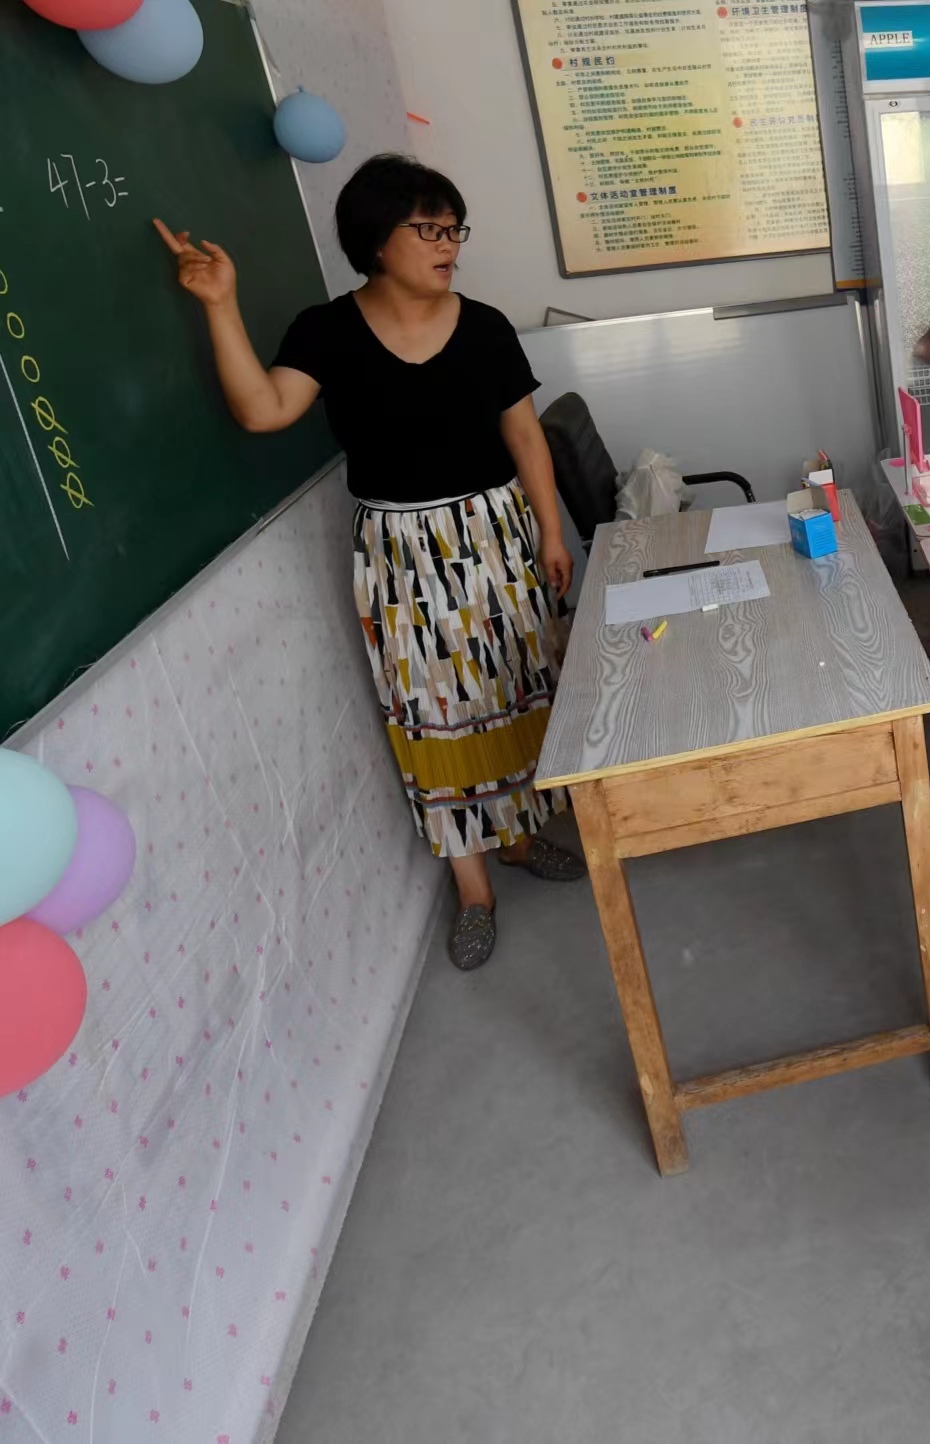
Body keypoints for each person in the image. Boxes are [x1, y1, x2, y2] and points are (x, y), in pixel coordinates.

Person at [154, 154, 583, 972]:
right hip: (399, 552)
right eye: (427, 227)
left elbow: (525, 437)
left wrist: (552, 532)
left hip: (495, 535)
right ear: (375, 240)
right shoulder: (325, 332)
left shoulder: (485, 325)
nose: (448, 243)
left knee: (521, 686)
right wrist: (221, 305)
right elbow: (262, 409)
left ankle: (522, 838)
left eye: (453, 227)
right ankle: (474, 888)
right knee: (433, 710)